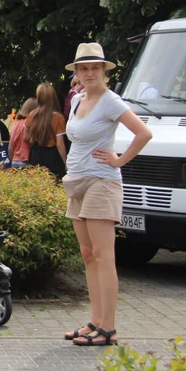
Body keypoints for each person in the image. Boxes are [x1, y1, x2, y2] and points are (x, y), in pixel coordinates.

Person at [62, 43, 152, 347]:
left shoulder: (111, 101)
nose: (89, 73)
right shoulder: (77, 101)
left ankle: (108, 329)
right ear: (76, 72)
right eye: (83, 68)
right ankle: (95, 321)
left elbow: (143, 133)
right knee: (88, 256)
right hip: (76, 182)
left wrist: (119, 159)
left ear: (104, 71)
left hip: (102, 182)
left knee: (103, 256)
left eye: (95, 68)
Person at [26, 83, 68, 179]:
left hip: (36, 153)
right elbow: (60, 144)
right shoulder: (58, 117)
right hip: (52, 156)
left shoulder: (32, 115)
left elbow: (26, 137)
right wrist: (66, 162)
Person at [9, 97, 38, 169]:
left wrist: (12, 160)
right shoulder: (31, 124)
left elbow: (10, 148)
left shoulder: (16, 124)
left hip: (15, 161)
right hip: (27, 162)